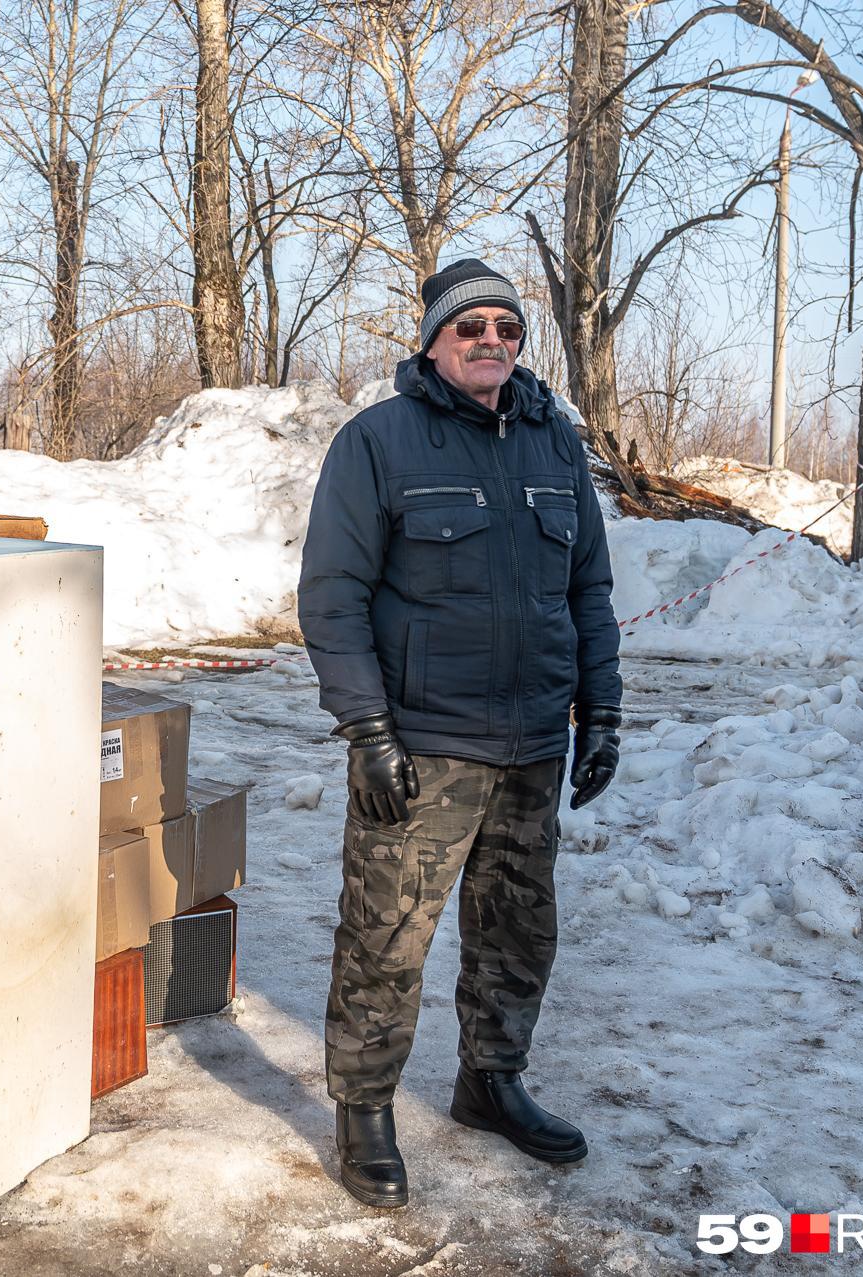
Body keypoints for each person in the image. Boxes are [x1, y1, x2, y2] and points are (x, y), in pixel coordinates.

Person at [295, 258, 623, 1209]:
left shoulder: (555, 446)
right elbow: (333, 596)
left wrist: (601, 709)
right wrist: (367, 729)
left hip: (531, 745)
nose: (492, 340)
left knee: (519, 930)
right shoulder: (378, 442)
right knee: (386, 939)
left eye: (508, 328)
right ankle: (363, 1113)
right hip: (422, 747)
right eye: (471, 325)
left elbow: (589, 592)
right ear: (434, 339)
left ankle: (491, 1081)